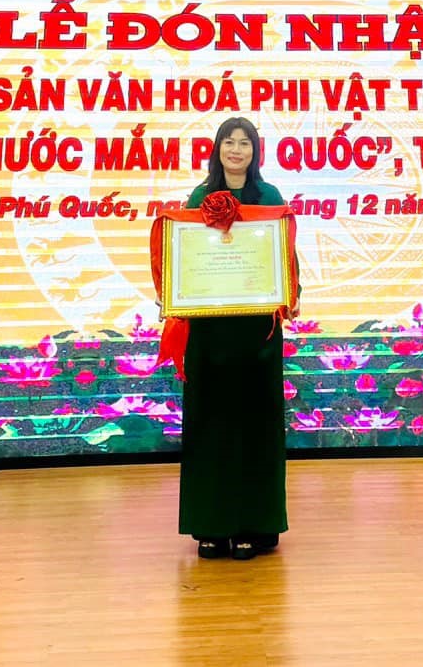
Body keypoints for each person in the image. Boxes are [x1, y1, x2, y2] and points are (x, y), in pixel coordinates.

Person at [180, 116, 289, 561]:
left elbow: (285, 254)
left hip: (257, 331)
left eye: (245, 143)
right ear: (218, 149)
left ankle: (253, 525)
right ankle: (212, 525)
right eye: (229, 142)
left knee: (255, 424)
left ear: (255, 151)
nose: (237, 150)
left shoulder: (270, 197)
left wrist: (287, 290)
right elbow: (183, 255)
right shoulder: (199, 198)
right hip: (209, 331)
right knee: (211, 424)